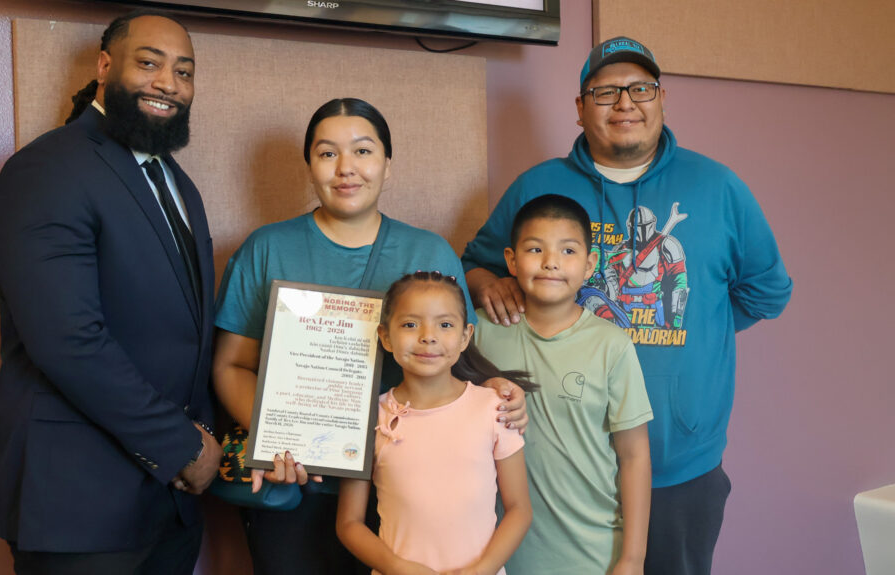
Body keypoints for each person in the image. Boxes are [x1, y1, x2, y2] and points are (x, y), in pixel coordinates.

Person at [461, 37, 793, 575]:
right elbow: (475, 265)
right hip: (553, 468)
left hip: (677, 464)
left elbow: (767, 291)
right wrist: (485, 285)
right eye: (605, 92)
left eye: (641, 89)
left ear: (662, 99)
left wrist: (693, 326)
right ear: (579, 107)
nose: (625, 103)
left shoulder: (718, 187)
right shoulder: (537, 187)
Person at [211, 98, 528, 574]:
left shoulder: (428, 251)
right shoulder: (267, 248)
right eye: (327, 153)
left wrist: (500, 390)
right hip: (301, 484)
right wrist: (280, 437)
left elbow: (456, 358)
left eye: (363, 151)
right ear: (309, 166)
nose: (346, 168)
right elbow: (230, 365)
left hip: (409, 491)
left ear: (387, 164)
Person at [0, 11, 221, 575]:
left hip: (170, 507)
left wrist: (218, 443)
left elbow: (185, 336)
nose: (168, 83)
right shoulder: (48, 168)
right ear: (105, 66)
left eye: (183, 71)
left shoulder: (176, 182)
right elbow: (68, 341)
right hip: (79, 506)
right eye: (149, 63)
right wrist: (184, 447)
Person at [474, 195, 652, 574]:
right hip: (494, 553)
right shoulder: (477, 331)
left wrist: (632, 559)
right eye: (535, 249)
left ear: (589, 264)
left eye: (567, 250)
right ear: (511, 261)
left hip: (591, 551)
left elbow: (634, 456)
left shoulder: (612, 345)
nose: (551, 262)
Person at [336, 271, 533, 575]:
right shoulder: (370, 417)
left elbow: (519, 510)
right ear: (385, 336)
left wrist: (481, 571)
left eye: (445, 325)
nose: (428, 336)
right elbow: (349, 523)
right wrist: (397, 567)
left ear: (465, 336)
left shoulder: (493, 408)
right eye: (410, 324)